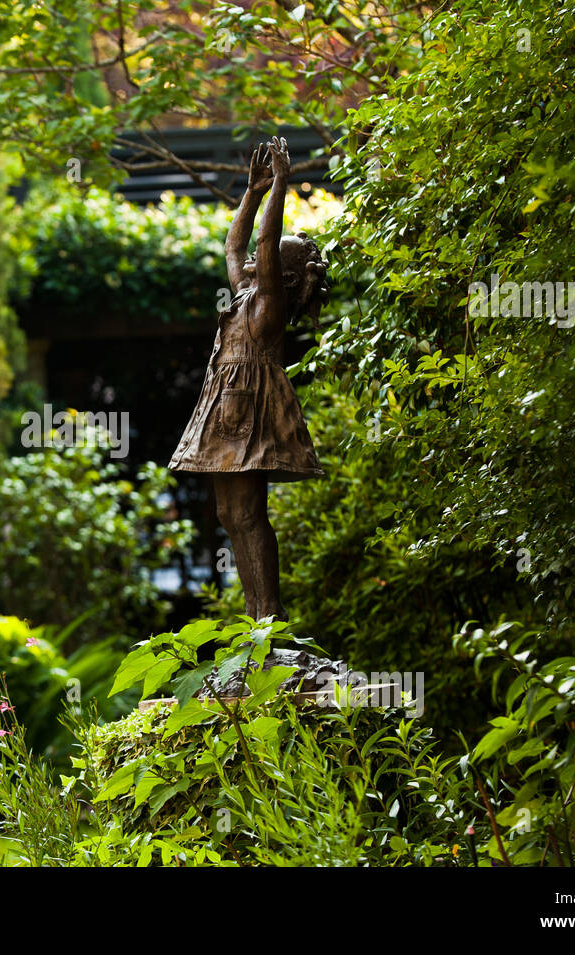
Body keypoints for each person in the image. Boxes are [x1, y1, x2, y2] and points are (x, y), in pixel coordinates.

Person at [169, 137, 330, 620]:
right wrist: (253, 191)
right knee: (227, 516)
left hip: (249, 415)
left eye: (274, 259)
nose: (260, 259)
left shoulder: (269, 307)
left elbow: (260, 241)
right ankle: (255, 610)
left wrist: (282, 184)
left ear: (283, 275)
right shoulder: (245, 296)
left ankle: (271, 615)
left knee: (249, 515)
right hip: (225, 410)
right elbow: (235, 245)